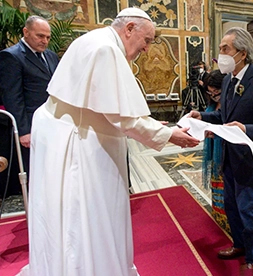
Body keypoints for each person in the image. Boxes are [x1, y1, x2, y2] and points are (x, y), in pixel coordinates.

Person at [20, 8, 200, 276]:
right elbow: (122, 118)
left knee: (63, 212)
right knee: (81, 213)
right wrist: (169, 134)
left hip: (62, 131)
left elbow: (109, 108)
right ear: (129, 28)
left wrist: (149, 124)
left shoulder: (95, 39)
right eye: (147, 40)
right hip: (76, 141)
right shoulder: (106, 49)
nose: (147, 50)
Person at [189, 27, 253, 272]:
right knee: (232, 205)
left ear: (242, 53)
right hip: (229, 155)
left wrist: (246, 129)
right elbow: (223, 116)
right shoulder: (230, 80)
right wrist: (204, 116)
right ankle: (239, 245)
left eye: (225, 49)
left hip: (251, 157)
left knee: (248, 208)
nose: (220, 53)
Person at [202, 70, 253, 233]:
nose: (213, 96)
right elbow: (219, 117)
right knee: (229, 198)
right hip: (224, 155)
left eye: (215, 93)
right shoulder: (221, 98)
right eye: (209, 93)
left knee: (248, 204)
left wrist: (242, 129)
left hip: (244, 154)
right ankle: (234, 235)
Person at [0, 15, 59, 180]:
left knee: (51, 171)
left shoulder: (51, 56)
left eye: (48, 37)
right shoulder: (11, 57)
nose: (45, 41)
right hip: (31, 125)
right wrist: (24, 130)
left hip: (52, 122)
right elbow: (13, 96)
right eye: (40, 36)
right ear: (26, 32)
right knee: (35, 172)